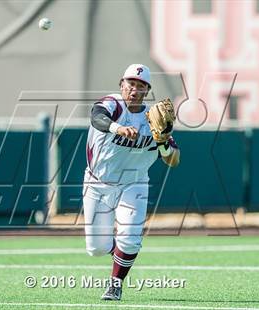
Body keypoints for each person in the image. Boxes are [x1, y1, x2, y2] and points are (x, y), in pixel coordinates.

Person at [83, 64, 180, 301]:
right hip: (98, 183)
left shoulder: (152, 120)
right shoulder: (112, 105)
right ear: (121, 85)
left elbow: (174, 160)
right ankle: (122, 249)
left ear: (147, 91)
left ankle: (115, 284)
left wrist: (164, 141)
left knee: (131, 236)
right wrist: (118, 128)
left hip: (134, 184)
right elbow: (96, 117)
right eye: (131, 84)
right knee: (96, 248)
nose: (134, 90)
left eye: (141, 86)